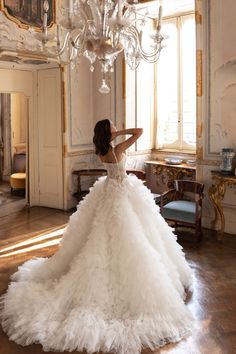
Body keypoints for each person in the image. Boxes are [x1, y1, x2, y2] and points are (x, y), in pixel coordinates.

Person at [0, 119, 192, 354]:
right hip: (121, 195)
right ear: (108, 131)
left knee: (103, 237)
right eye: (112, 125)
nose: (115, 127)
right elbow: (140, 131)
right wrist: (119, 133)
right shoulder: (117, 148)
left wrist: (111, 134)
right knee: (132, 238)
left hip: (110, 192)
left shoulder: (102, 150)